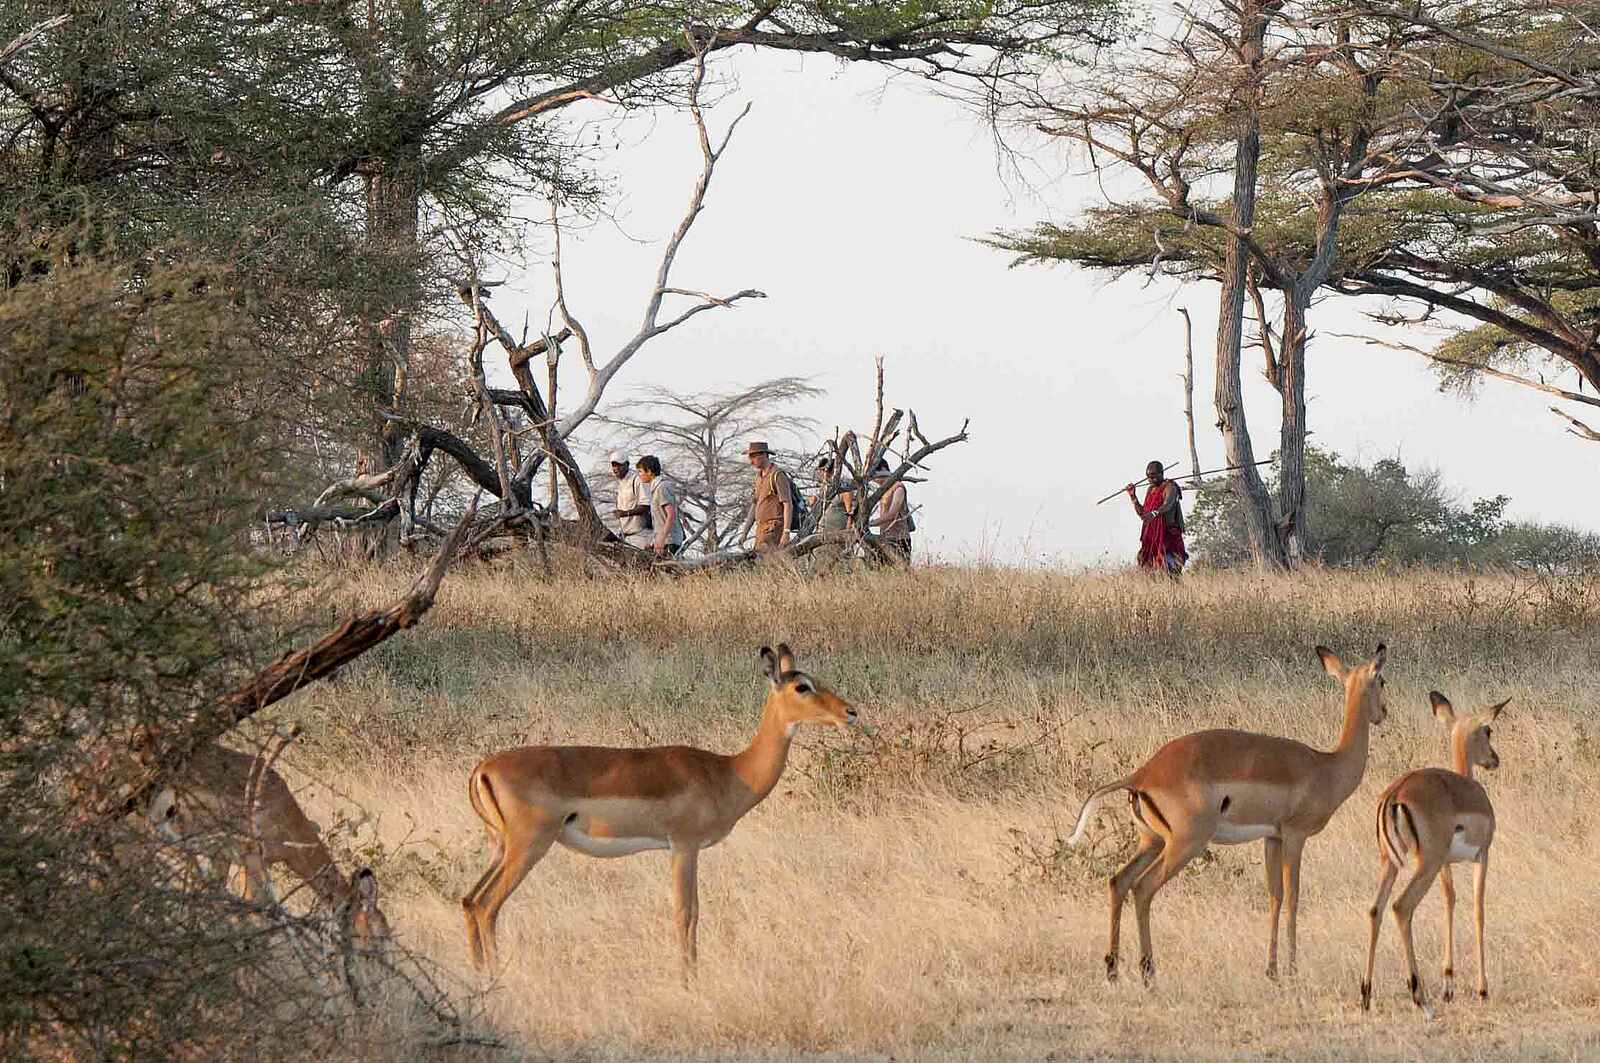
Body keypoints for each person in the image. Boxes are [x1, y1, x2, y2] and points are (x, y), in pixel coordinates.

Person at [1127, 459, 1187, 577]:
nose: (1151, 480)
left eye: (1154, 477)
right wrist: (1133, 496)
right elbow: (1143, 514)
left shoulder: (1170, 487)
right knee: (1147, 567)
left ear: (1161, 474)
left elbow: (1167, 505)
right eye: (1148, 477)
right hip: (1152, 537)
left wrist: (1154, 513)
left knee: (1170, 569)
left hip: (1168, 536)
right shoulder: (1150, 489)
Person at [740, 441, 794, 552]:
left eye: (753, 457)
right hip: (761, 529)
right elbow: (755, 505)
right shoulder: (758, 477)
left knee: (766, 561)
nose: (751, 461)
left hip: (773, 528)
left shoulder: (777, 475)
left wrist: (786, 532)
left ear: (764, 455)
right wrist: (744, 533)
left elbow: (788, 504)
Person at [636, 455, 684, 557]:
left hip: (670, 540)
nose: (639, 475)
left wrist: (661, 538)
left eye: (640, 471)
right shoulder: (655, 488)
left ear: (649, 471)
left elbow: (671, 515)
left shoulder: (662, 487)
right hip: (664, 539)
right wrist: (655, 541)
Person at [867, 460, 913, 565]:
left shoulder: (898, 487)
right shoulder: (882, 490)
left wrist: (872, 523)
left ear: (883, 469)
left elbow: (893, 513)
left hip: (899, 539)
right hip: (884, 538)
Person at [608, 450, 651, 548]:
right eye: (614, 465)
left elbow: (646, 506)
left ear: (627, 464)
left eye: (619, 465)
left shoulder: (637, 480)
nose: (616, 468)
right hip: (627, 536)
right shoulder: (621, 483)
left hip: (640, 535)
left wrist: (625, 513)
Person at [810, 456, 855, 533]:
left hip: (837, 532)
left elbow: (850, 512)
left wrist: (847, 533)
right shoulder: (821, 488)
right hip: (821, 531)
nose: (822, 473)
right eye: (820, 470)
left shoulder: (844, 487)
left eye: (824, 470)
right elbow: (813, 505)